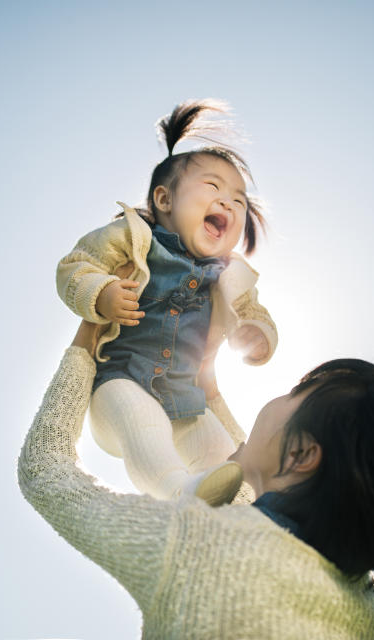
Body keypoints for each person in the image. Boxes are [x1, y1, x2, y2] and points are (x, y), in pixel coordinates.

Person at [17, 321, 374, 639]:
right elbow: (250, 475)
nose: (278, 397)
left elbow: (45, 470)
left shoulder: (197, 545)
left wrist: (84, 344)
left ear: (302, 454)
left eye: (293, 394)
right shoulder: (365, 612)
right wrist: (209, 390)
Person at [56, 99, 277, 506]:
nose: (229, 203)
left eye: (240, 201)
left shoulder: (229, 276)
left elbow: (253, 313)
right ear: (164, 199)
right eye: (213, 187)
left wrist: (256, 335)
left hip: (184, 396)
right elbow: (75, 267)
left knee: (215, 448)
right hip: (118, 386)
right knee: (144, 423)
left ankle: (236, 512)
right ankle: (180, 492)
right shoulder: (134, 238)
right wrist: (100, 295)